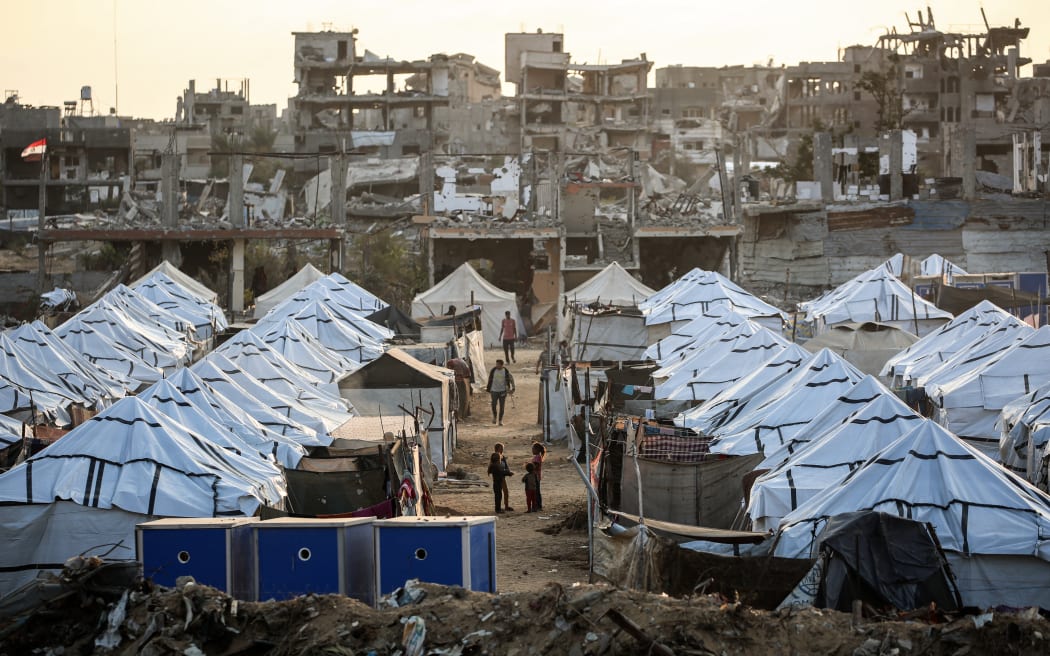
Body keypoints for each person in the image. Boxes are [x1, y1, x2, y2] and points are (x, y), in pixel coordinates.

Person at [486, 359, 515, 425]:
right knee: (493, 404)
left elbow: (511, 380)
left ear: (502, 365)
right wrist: (489, 388)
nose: (497, 366)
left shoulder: (506, 372)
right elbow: (490, 380)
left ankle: (500, 420)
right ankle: (494, 417)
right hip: (494, 391)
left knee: (502, 406)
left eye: (498, 365)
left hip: (502, 391)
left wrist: (512, 388)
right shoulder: (493, 371)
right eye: (496, 364)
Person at [494, 442, 513, 511]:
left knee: (505, 492)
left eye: (502, 449)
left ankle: (506, 506)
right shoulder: (495, 457)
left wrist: (508, 472)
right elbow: (498, 469)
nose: (502, 450)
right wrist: (507, 472)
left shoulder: (502, 457)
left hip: (502, 477)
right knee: (499, 494)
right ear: (496, 449)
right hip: (498, 478)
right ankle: (498, 508)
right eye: (501, 449)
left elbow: (506, 467)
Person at [530, 441, 547, 511]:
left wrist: (529, 466)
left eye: (533, 449)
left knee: (536, 492)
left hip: (536, 477)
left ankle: (537, 506)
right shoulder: (537, 457)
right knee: (536, 491)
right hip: (536, 476)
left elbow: (535, 466)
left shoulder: (537, 457)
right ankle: (537, 505)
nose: (532, 450)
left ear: (537, 450)